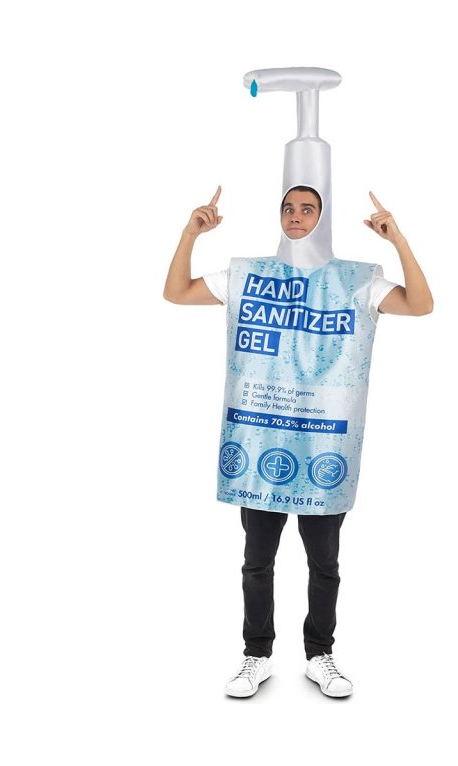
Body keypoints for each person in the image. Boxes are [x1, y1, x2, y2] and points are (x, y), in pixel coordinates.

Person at [163, 185, 433, 698]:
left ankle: (319, 655)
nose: (296, 216)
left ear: (322, 218)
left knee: (324, 564)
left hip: (324, 447)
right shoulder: (250, 276)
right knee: (256, 562)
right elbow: (176, 292)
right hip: (261, 443)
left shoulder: (356, 282)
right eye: (288, 208)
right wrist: (190, 234)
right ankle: (256, 655)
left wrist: (397, 240)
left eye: (308, 209)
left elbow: (420, 305)